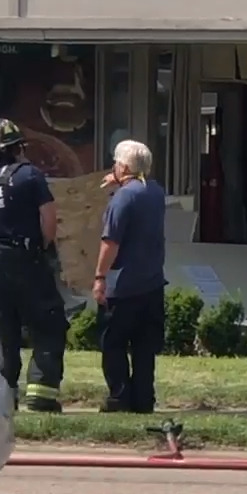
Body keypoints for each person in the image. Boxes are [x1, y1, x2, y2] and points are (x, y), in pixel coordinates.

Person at [0, 118, 66, 414]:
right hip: (27, 259)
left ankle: (5, 396)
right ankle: (41, 395)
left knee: (3, 330)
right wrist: (43, 248)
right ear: (19, 147)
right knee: (48, 323)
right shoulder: (31, 177)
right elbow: (48, 220)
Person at [94, 139, 167, 414]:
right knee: (144, 347)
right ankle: (143, 399)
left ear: (123, 166)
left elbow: (110, 242)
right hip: (152, 282)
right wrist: (120, 180)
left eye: (116, 162)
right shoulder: (155, 192)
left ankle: (119, 397)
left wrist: (100, 277)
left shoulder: (123, 198)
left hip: (122, 285)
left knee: (113, 343)